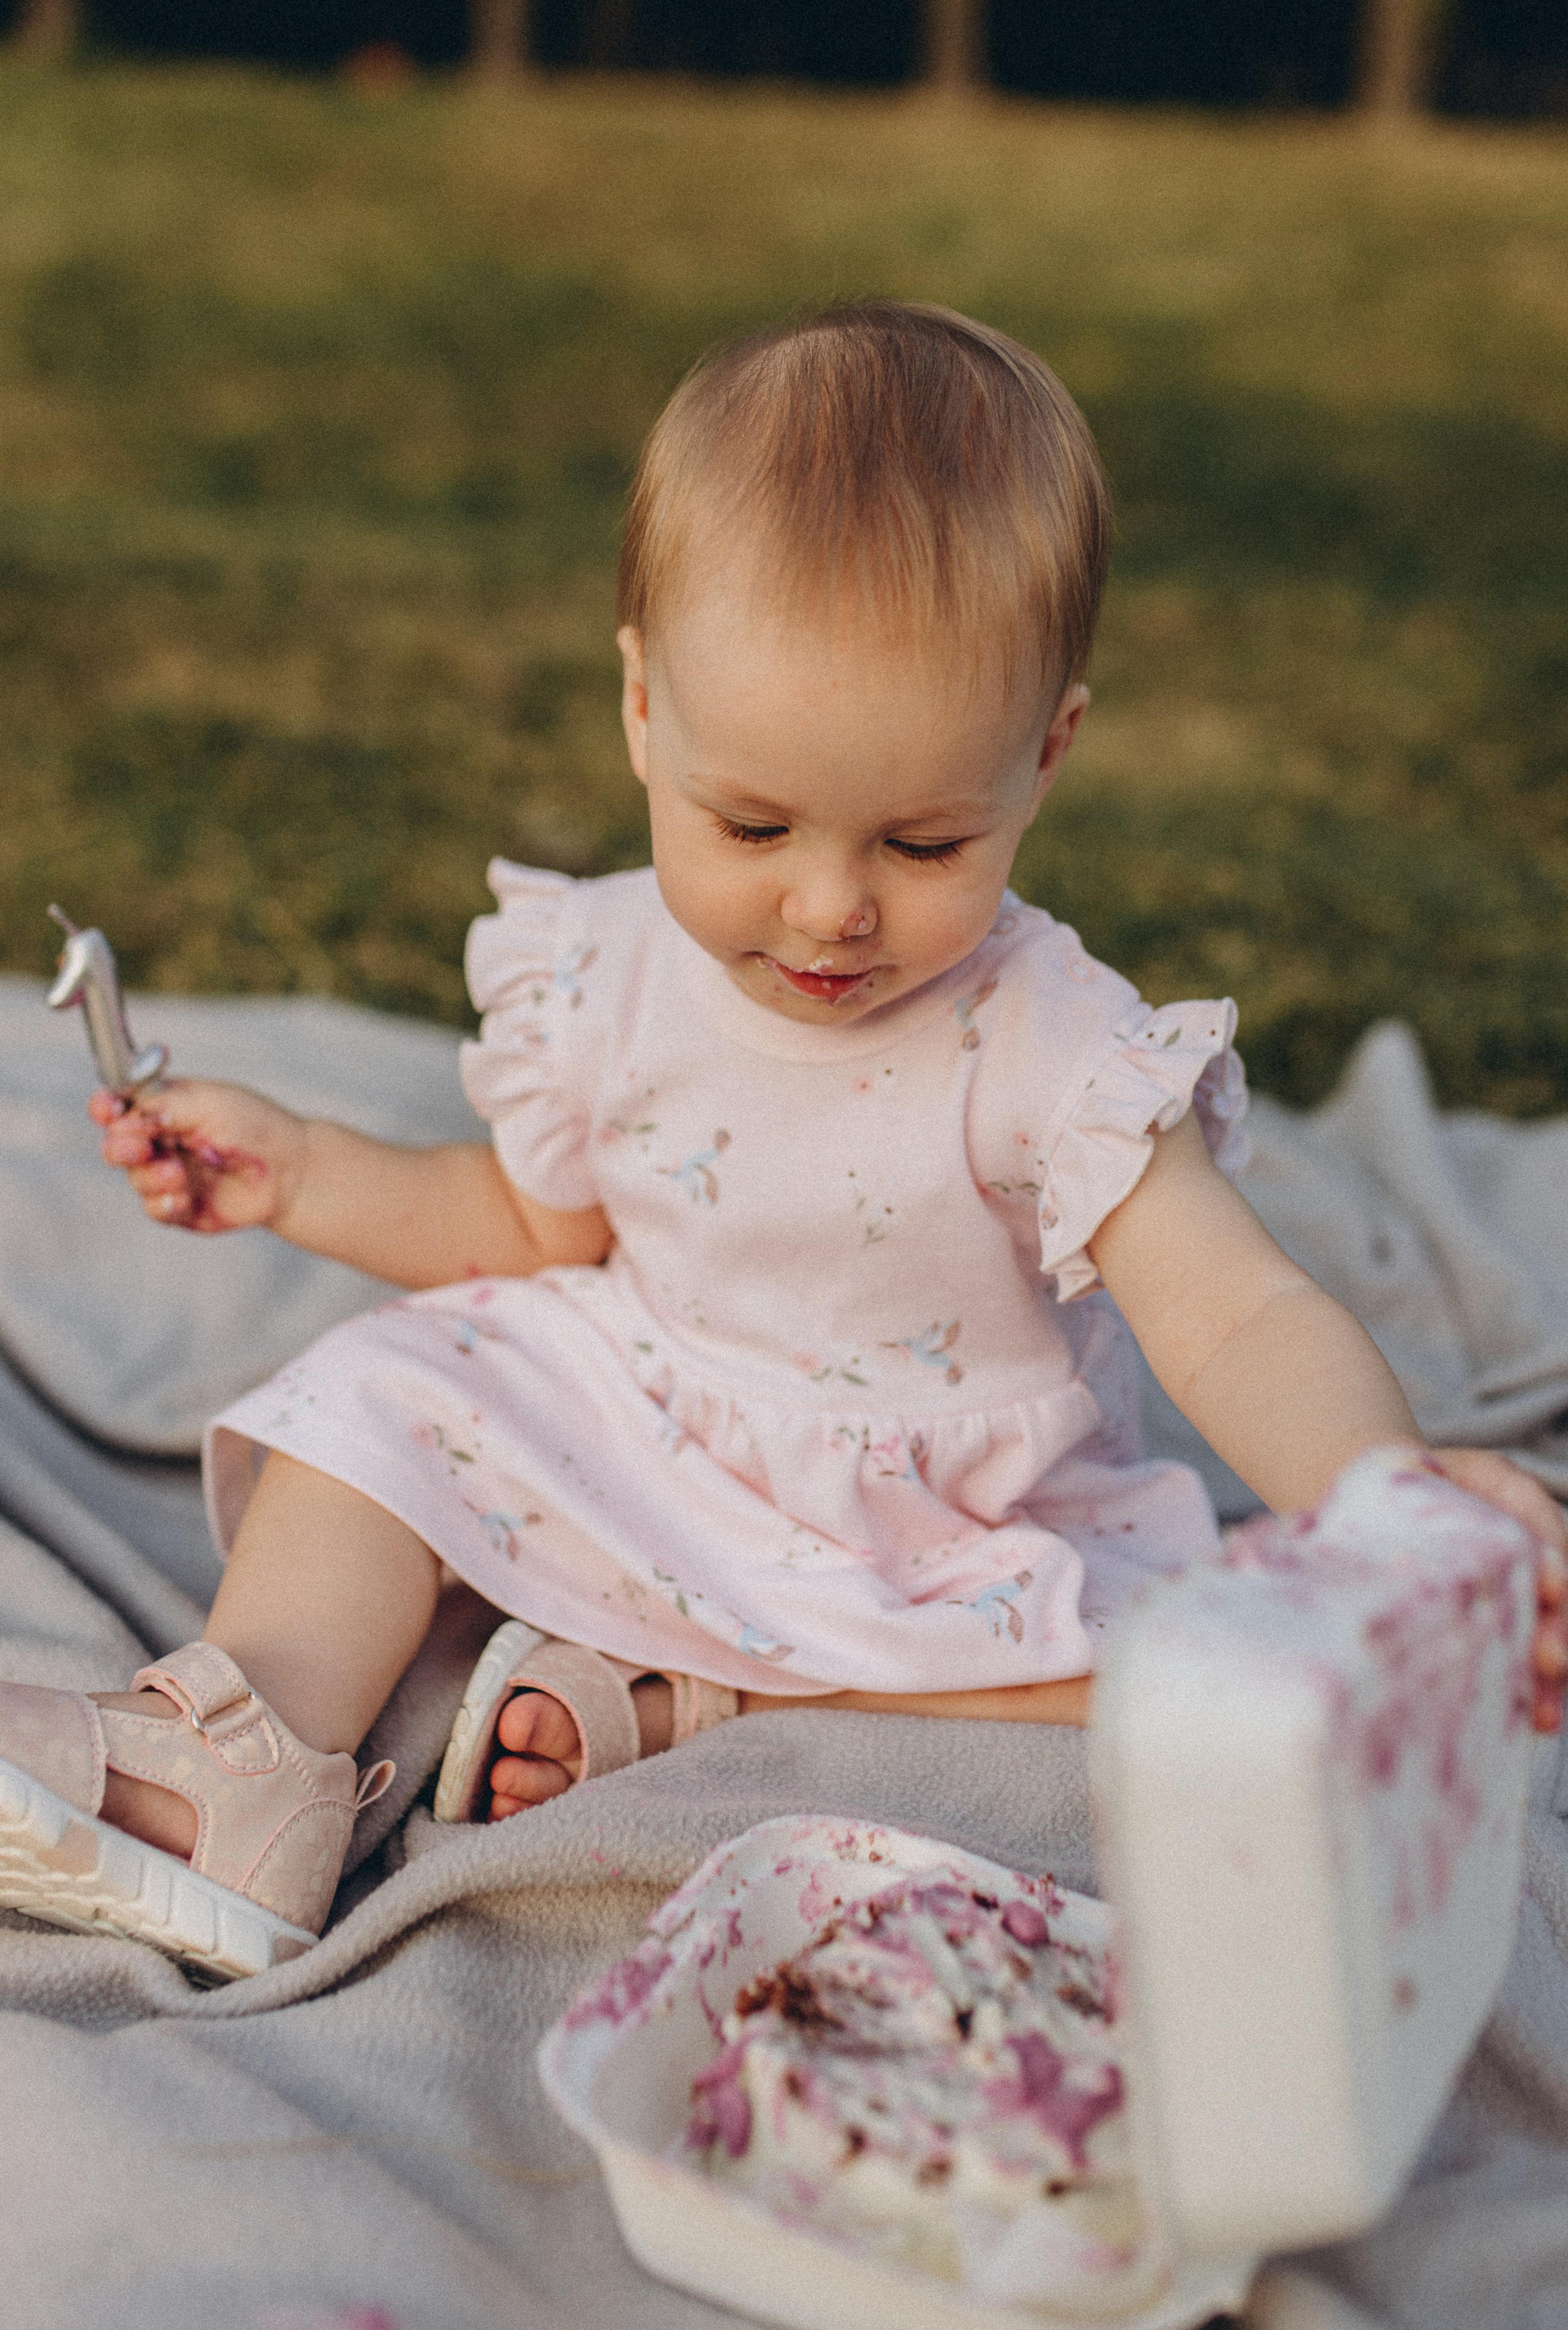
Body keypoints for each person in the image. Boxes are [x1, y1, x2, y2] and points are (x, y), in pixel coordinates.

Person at [2, 303, 1563, 1975]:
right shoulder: (603, 967)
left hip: (931, 1511)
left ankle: (703, 1695)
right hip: (654, 1406)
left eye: (923, 839)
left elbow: (1239, 1312)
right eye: (751, 824)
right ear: (642, 715)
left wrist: (1385, 1495)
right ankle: (252, 1763)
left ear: (1047, 756)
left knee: (1167, 1653)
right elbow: (529, 1234)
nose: (829, 908)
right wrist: (302, 1170)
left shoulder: (1053, 1045)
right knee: (374, 1401)